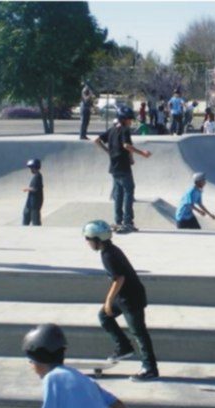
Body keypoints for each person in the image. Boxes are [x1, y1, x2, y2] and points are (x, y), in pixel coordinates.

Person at [23, 323, 160, 408]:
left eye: (31, 362)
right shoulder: (80, 377)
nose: (31, 367)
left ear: (38, 360)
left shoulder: (52, 380)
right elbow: (117, 404)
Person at [82, 221, 159, 380]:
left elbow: (119, 279)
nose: (87, 242)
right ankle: (123, 347)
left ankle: (150, 368)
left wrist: (109, 300)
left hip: (131, 298)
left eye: (88, 238)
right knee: (104, 317)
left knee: (139, 332)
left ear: (98, 239)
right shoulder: (109, 250)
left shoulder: (109, 255)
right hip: (124, 297)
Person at [94, 106, 152, 234]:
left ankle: (118, 221)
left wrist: (108, 152)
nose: (131, 122)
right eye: (130, 119)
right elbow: (126, 145)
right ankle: (127, 222)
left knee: (118, 194)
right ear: (124, 119)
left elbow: (96, 140)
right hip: (123, 167)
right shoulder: (125, 130)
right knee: (128, 192)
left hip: (114, 167)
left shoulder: (112, 129)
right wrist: (142, 153)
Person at [22, 158, 44, 226]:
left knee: (35, 218)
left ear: (36, 167)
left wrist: (27, 189)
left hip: (35, 202)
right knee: (26, 214)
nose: (31, 170)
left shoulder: (38, 176)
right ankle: (25, 229)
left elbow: (35, 189)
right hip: (31, 200)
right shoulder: (36, 176)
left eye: (32, 168)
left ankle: (37, 233)